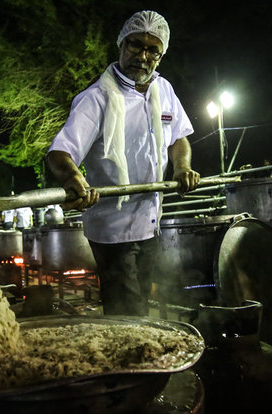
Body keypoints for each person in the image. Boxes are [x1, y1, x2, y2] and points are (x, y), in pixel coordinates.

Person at [46, 10, 200, 316]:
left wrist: (182, 167)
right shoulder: (96, 98)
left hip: (150, 223)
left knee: (142, 305)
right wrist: (73, 176)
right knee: (126, 313)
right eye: (135, 45)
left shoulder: (164, 90)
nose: (142, 56)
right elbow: (59, 153)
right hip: (112, 230)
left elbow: (179, 138)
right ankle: (130, 361)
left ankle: (139, 356)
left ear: (161, 55)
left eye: (152, 49)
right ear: (121, 44)